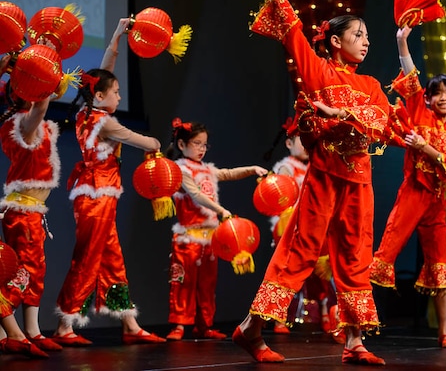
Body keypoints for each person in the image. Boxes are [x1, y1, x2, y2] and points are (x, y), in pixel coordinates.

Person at [233, 0, 390, 365]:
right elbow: (290, 28)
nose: (365, 42)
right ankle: (252, 328)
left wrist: (341, 114)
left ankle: (354, 341)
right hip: (323, 178)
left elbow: (383, 127)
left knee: (357, 255)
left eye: (368, 36)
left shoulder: (373, 86)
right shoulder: (318, 70)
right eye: (358, 35)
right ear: (335, 40)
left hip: (360, 182)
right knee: (299, 251)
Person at [52, 18, 166, 346]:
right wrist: (156, 143)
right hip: (97, 195)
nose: (118, 95)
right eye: (115, 92)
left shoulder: (86, 112)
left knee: (113, 257)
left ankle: (129, 323)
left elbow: (101, 75)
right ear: (100, 96)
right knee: (87, 257)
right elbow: (142, 141)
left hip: (99, 193)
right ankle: (64, 325)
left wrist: (116, 36)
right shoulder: (105, 123)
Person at [370, 26, 446, 348]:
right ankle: (353, 321)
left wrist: (426, 148)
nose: (443, 98)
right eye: (436, 93)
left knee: (440, 265)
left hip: (437, 202)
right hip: (414, 193)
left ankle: (444, 331)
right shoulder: (417, 112)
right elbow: (410, 75)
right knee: (384, 255)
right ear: (427, 98)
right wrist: (401, 40)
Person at [164, 118, 267, 341]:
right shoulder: (180, 169)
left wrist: (251, 169)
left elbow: (228, 173)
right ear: (182, 145)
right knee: (184, 282)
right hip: (188, 237)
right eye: (197, 144)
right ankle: (179, 325)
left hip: (209, 238)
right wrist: (221, 210)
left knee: (207, 284)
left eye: (204, 145)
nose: (201, 149)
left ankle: (205, 324)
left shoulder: (207, 169)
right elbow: (196, 195)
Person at [0, 53, 57, 358]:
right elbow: (43, 104)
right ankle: (14, 333)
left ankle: (30, 331)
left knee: (33, 271)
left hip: (28, 211)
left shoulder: (18, 123)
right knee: (23, 271)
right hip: (22, 212)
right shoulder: (22, 125)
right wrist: (44, 70)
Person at [267, 122, 336, 336]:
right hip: (293, 225)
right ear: (289, 143)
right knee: (288, 272)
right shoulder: (286, 167)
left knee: (320, 273)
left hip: (316, 225)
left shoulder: (316, 165)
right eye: (301, 140)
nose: (307, 144)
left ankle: (324, 312)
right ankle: (279, 317)